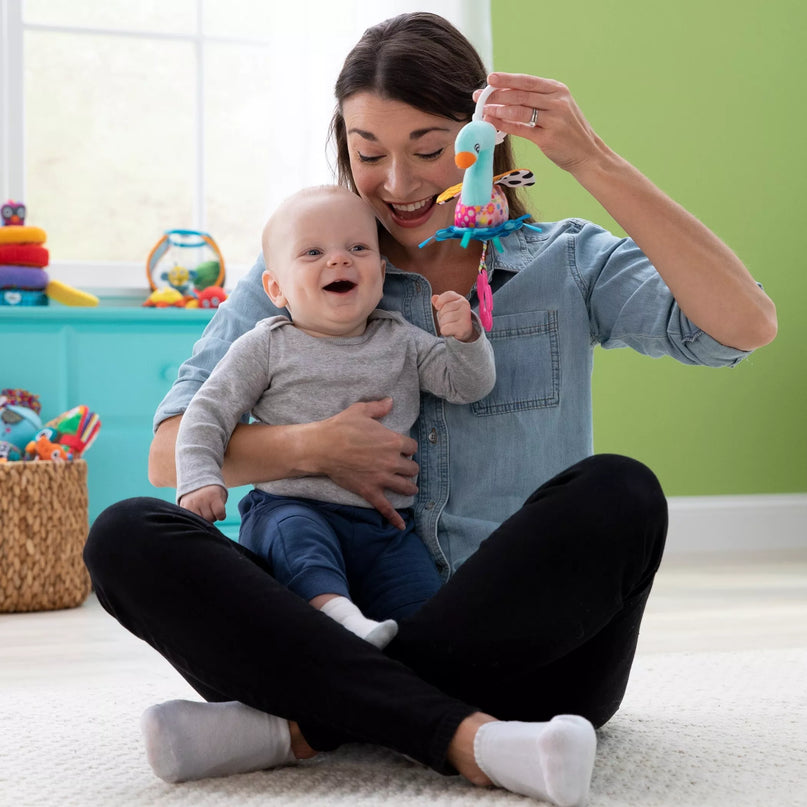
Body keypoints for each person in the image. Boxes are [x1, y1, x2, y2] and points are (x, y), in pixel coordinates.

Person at [83, 11, 777, 806]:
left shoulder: (566, 260)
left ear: (482, 142)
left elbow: (742, 326)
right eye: (368, 153)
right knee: (127, 535)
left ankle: (307, 726)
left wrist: (591, 158)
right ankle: (457, 730)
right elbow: (171, 450)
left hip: (529, 660)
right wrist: (313, 447)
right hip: (330, 623)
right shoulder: (302, 268)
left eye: (427, 150)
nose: (399, 184)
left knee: (621, 491)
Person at [175, 184, 496, 650]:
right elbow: (208, 410)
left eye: (358, 248)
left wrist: (465, 339)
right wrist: (200, 478)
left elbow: (466, 385)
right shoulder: (265, 345)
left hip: (385, 525)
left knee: (423, 607)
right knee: (298, 547)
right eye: (313, 252)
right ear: (276, 288)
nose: (339, 260)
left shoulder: (402, 340)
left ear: (381, 274)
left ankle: (408, 660)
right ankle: (340, 619)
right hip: (291, 507)